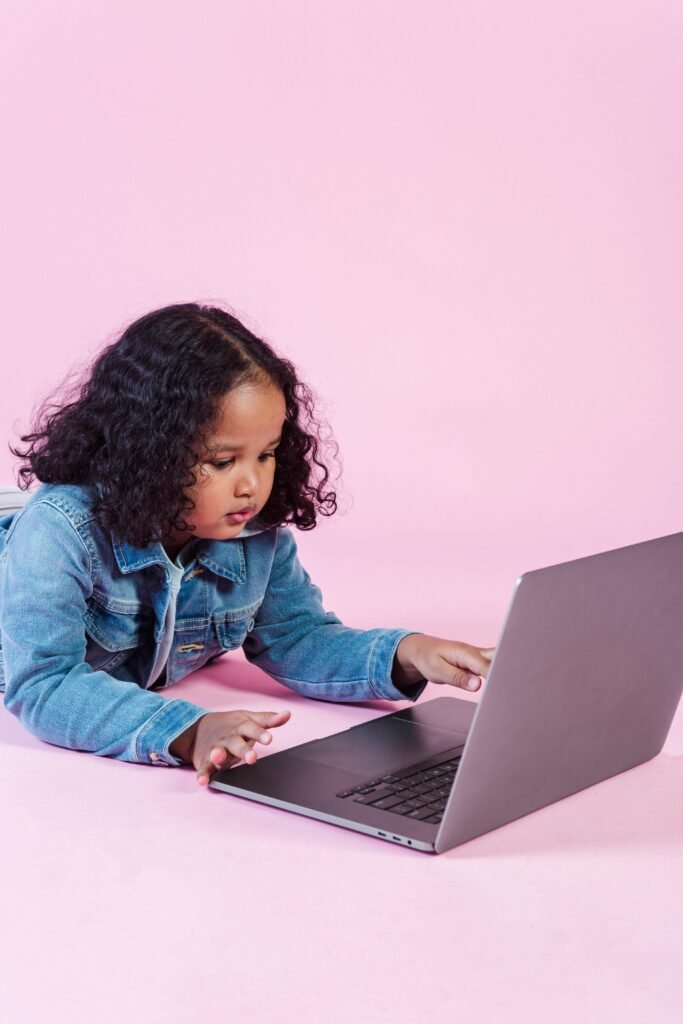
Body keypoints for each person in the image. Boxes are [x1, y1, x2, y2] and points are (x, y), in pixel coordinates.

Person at [0, 303, 495, 788]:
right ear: (147, 452)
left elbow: (297, 637)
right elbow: (46, 684)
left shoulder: (253, 532)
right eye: (221, 462)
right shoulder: (60, 533)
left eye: (266, 454)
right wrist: (186, 730)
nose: (251, 485)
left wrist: (407, 654)